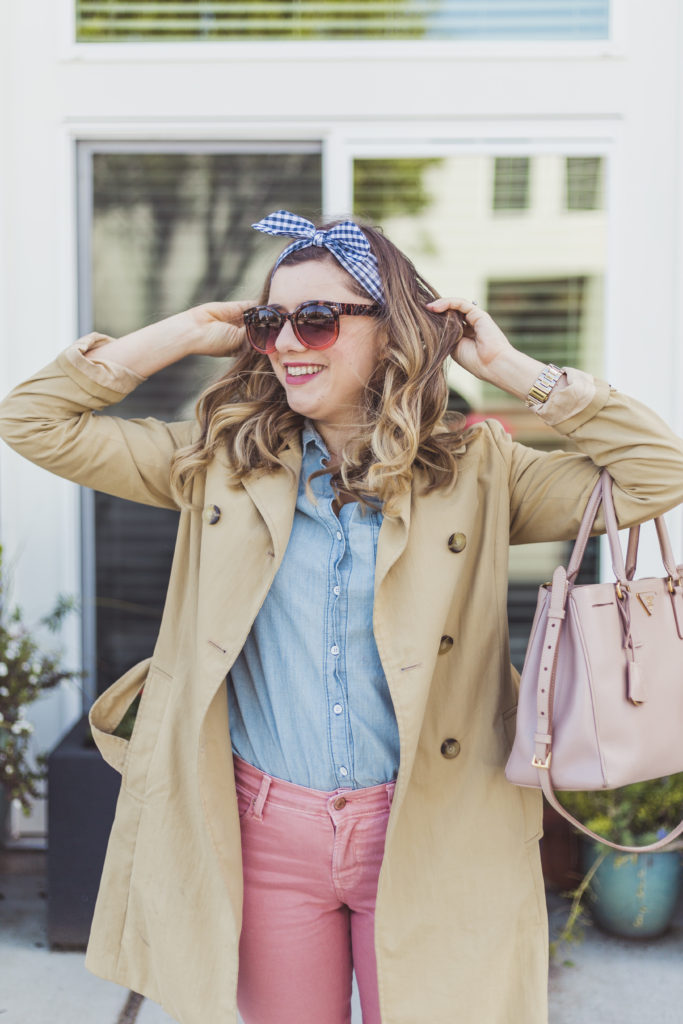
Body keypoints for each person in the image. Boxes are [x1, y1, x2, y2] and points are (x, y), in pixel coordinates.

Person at [1, 210, 682, 1024]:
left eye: (317, 319)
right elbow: (32, 421)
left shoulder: (480, 470)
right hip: (262, 832)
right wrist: (183, 332)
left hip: (434, 825)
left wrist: (510, 365)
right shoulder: (218, 462)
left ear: (390, 334)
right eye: (269, 321)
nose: (287, 341)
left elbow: (656, 472)